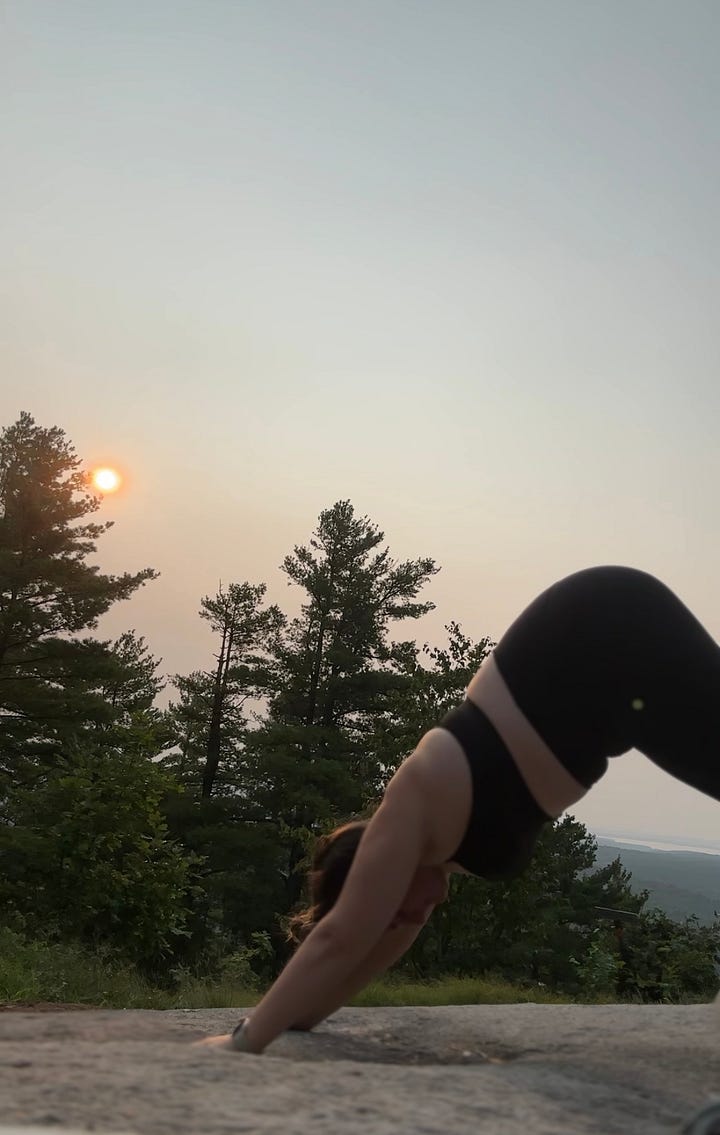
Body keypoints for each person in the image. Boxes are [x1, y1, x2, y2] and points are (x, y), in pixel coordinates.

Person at [196, 566, 720, 1054]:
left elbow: (342, 937)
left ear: (377, 877)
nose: (420, 913)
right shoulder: (434, 856)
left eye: (393, 909)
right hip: (611, 687)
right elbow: (362, 958)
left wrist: (244, 1041)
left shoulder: (412, 800)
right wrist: (298, 1019)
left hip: (601, 627)